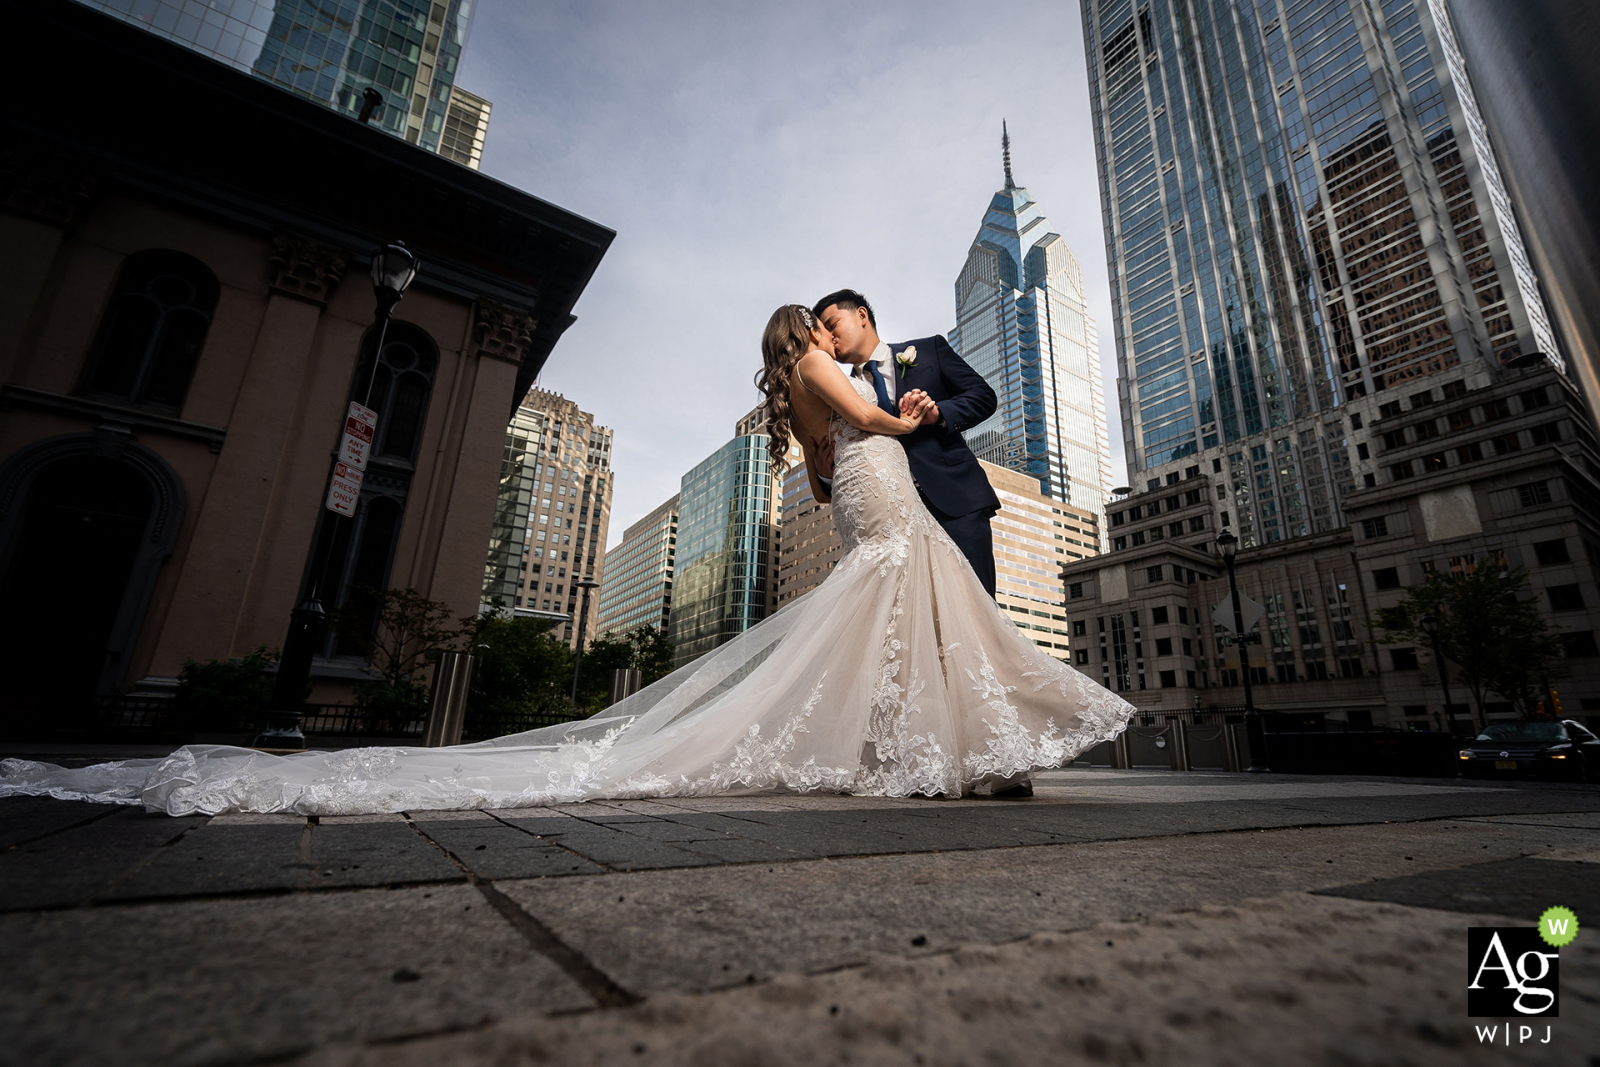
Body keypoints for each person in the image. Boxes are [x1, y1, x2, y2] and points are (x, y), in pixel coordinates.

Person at [0, 305, 1135, 816]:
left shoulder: (793, 403)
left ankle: (933, 746)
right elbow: (869, 440)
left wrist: (875, 437)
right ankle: (952, 748)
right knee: (901, 611)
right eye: (829, 325)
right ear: (810, 335)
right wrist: (900, 414)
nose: (843, 334)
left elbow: (824, 479)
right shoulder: (833, 378)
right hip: (887, 498)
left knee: (889, 619)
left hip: (866, 508)